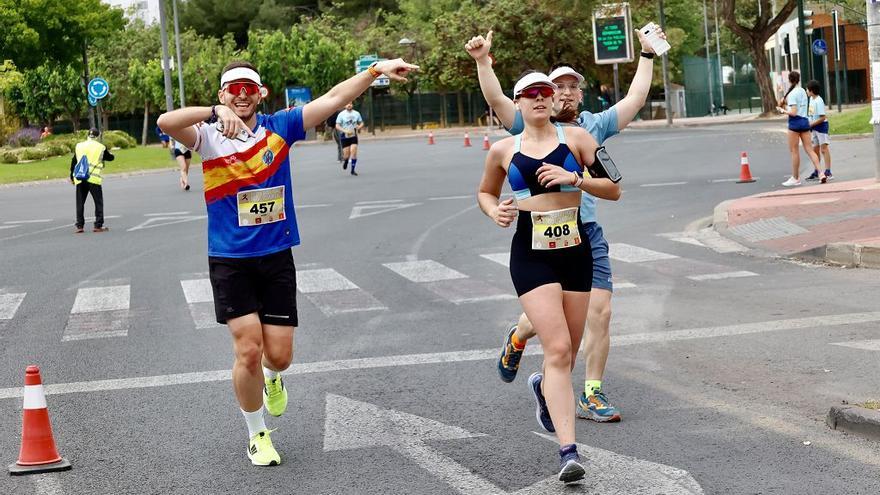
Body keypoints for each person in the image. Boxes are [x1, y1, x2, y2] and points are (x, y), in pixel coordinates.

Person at [156, 58, 416, 467]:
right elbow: (166, 121)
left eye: (249, 88)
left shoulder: (281, 127)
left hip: (276, 256)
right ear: (223, 94)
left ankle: (273, 377)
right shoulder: (207, 136)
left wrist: (375, 71)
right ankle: (257, 433)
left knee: (278, 356)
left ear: (260, 94)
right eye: (233, 89)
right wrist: (212, 113)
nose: (242, 94)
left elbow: (333, 99)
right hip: (230, 258)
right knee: (248, 349)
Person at [465, 26, 663, 424]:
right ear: (544, 96)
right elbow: (498, 99)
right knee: (547, 317)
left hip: (585, 234)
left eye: (572, 86)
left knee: (601, 312)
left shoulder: (593, 126)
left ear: (578, 94)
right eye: (558, 86)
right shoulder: (528, 127)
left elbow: (636, 98)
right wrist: (484, 61)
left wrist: (647, 55)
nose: (565, 92)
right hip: (538, 236)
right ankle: (519, 336)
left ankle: (591, 392)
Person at [478, 72, 621, 483]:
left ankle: (544, 388)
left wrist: (575, 178)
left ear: (555, 101)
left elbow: (615, 188)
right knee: (558, 348)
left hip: (574, 251)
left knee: (568, 354)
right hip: (531, 253)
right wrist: (495, 211)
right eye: (531, 94)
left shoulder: (577, 140)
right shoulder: (503, 149)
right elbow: (486, 192)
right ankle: (568, 453)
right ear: (518, 103)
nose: (541, 99)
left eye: (547, 93)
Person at [778, 71, 825, 187]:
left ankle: (795, 177)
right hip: (805, 122)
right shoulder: (803, 91)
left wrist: (783, 111)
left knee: (794, 151)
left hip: (795, 123)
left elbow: (793, 112)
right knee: (809, 149)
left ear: (790, 80)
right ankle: (821, 173)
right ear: (798, 79)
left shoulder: (792, 94)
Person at [69, 128, 114, 233]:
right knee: (98, 202)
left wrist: (72, 176)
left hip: (80, 178)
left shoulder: (79, 146)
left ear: (88, 135)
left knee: (80, 202)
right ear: (98, 136)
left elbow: (74, 161)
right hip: (93, 178)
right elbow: (110, 157)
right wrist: (112, 155)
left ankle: (80, 226)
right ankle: (98, 225)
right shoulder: (100, 147)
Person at [806, 80, 832, 181]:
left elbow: (822, 117)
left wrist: (811, 124)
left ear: (812, 91)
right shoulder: (811, 100)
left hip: (821, 127)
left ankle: (828, 171)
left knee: (824, 149)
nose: (807, 91)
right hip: (814, 128)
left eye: (807, 89)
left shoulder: (819, 101)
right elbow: (811, 114)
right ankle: (817, 171)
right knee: (815, 150)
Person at [335, 102, 364, 175]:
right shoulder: (341, 114)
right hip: (344, 136)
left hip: (353, 136)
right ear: (345, 105)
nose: (349, 105)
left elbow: (361, 123)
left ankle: (353, 170)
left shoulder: (356, 113)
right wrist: (345, 131)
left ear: (352, 105)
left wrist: (359, 127)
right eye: (347, 104)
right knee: (346, 155)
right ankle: (346, 161)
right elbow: (337, 126)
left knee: (353, 152)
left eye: (350, 104)